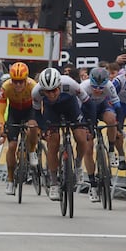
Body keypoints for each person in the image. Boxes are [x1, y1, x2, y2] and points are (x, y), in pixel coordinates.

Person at [32, 68, 96, 201]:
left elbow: (88, 104)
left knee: (81, 138)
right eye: (47, 92)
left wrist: (90, 125)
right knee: (53, 143)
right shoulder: (36, 92)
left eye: (54, 90)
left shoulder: (70, 83)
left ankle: (78, 165)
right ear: (43, 90)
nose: (51, 94)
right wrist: (44, 129)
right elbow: (37, 113)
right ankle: (54, 182)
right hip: (51, 110)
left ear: (60, 86)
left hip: (70, 107)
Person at [80, 67, 123, 202]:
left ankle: (111, 150)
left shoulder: (109, 86)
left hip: (102, 107)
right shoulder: (84, 87)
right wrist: (87, 127)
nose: (98, 90)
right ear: (89, 82)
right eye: (95, 87)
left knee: (111, 120)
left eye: (101, 87)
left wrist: (119, 125)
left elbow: (118, 106)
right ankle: (92, 184)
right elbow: (77, 110)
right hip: (86, 110)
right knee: (88, 148)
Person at [0, 62, 39, 195]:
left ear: (26, 79)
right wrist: (2, 125)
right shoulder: (5, 87)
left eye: (21, 82)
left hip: (30, 110)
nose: (18, 85)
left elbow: (40, 107)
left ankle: (32, 151)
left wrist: (40, 125)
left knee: (32, 126)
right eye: (15, 81)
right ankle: (10, 180)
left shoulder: (33, 86)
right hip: (14, 112)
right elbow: (0, 111)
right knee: (12, 146)